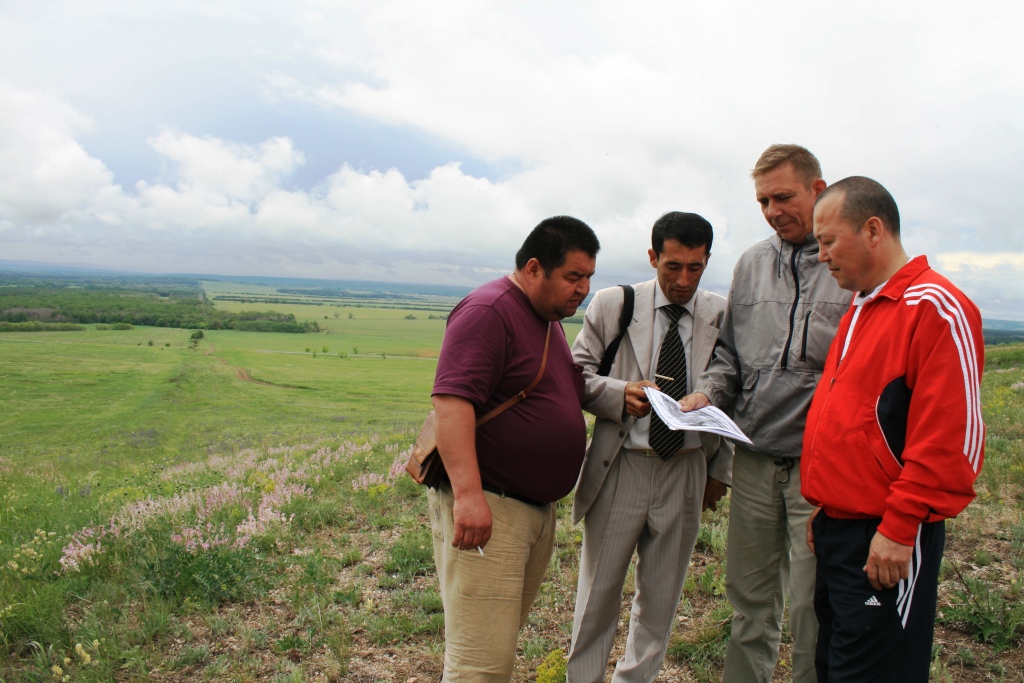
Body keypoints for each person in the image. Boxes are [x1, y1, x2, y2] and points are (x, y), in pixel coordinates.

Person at [803, 176, 984, 682]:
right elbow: (859, 419)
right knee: (836, 666)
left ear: (873, 230)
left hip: (885, 537)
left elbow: (950, 441)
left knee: (873, 671)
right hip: (840, 529)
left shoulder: (936, 308)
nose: (822, 256)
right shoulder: (861, 307)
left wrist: (900, 526)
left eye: (828, 240)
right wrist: (828, 501)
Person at [681, 144, 850, 682]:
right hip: (752, 459)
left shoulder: (847, 266)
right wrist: (708, 393)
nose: (774, 210)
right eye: (762, 201)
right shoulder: (751, 263)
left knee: (810, 605)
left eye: (784, 196)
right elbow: (730, 355)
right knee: (749, 599)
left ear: (818, 190)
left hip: (819, 469)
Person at [428, 216, 600, 683]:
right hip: (493, 507)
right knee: (479, 666)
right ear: (533, 268)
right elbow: (452, 403)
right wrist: (468, 495)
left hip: (526, 511)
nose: (583, 289)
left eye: (588, 277)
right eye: (572, 277)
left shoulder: (546, 319)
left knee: (495, 648)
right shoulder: (490, 310)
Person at [567, 211, 734, 683]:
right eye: (672, 266)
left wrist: (719, 471)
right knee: (597, 596)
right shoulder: (614, 304)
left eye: (695, 268)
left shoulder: (721, 315)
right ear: (652, 256)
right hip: (623, 465)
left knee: (660, 601)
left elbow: (731, 392)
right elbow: (574, 376)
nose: (683, 280)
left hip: (686, 469)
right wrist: (620, 394)